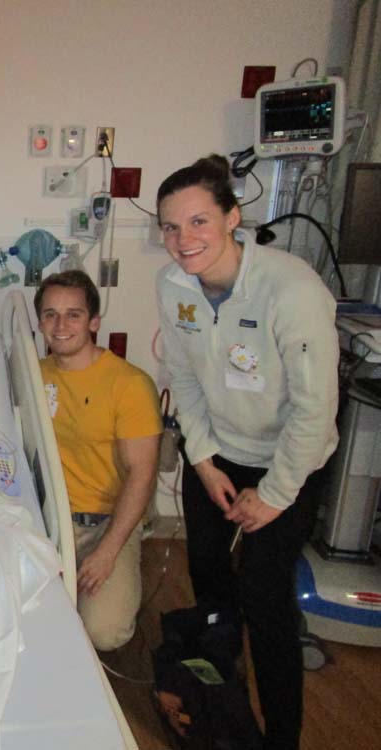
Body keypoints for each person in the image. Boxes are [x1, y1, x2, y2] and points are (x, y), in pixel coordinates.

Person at [155, 154, 339, 750]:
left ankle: (282, 737)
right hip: (219, 452)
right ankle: (221, 702)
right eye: (170, 227)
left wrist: (276, 495)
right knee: (209, 577)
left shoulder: (290, 289)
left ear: (233, 218)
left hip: (291, 459)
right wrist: (204, 462)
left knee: (264, 598)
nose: (183, 240)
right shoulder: (174, 286)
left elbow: (315, 411)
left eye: (198, 222)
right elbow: (184, 379)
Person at [34, 270, 162, 651]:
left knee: (104, 631)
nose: (60, 326)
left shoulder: (129, 385)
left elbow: (142, 474)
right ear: (39, 323)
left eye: (73, 315)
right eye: (50, 315)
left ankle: (122, 571)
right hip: (48, 521)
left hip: (109, 522)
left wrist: (107, 552)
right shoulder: (32, 375)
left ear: (93, 322)